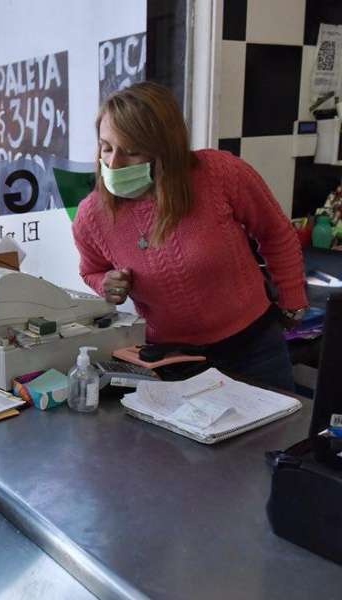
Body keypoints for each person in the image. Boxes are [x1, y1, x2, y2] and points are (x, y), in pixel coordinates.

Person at [73, 82, 307, 391]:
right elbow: (91, 270)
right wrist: (107, 284)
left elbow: (276, 232)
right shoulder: (92, 215)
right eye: (106, 147)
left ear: (165, 150)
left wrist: (293, 300)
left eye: (132, 151)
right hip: (172, 361)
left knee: (280, 423)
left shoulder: (220, 173)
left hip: (254, 347)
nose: (113, 164)